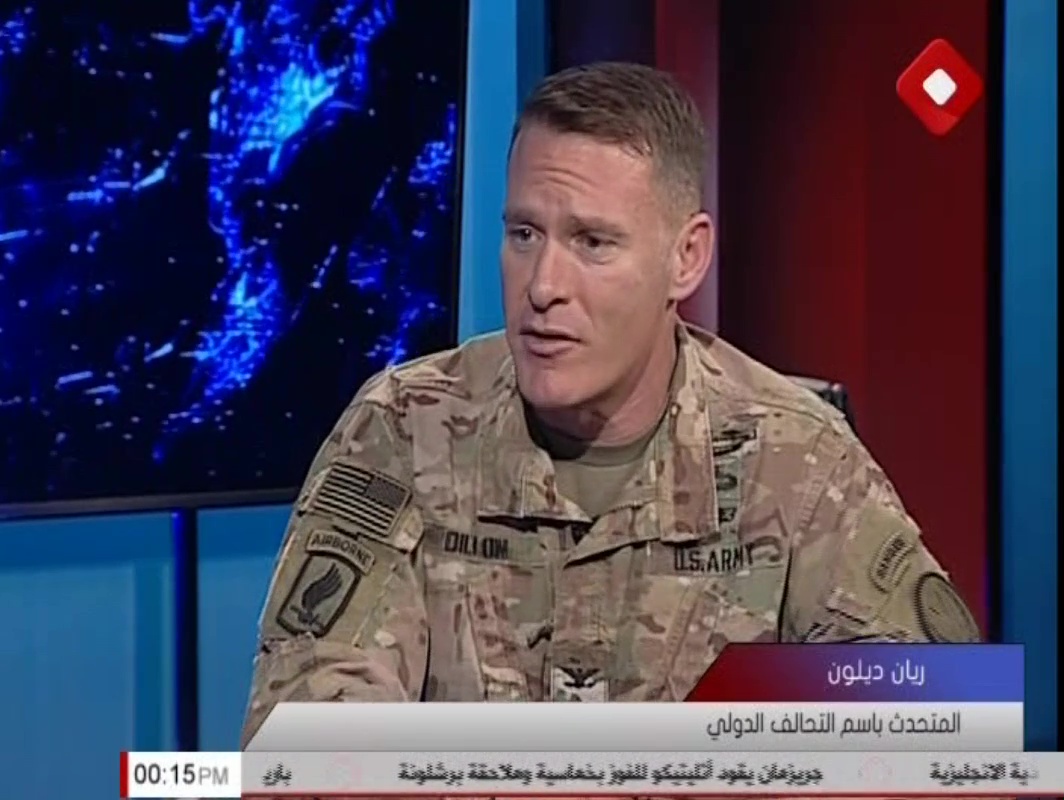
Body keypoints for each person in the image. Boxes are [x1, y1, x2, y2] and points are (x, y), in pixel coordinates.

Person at [241, 61, 980, 746]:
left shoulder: (797, 460)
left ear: (686, 258)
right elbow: (305, 735)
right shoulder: (406, 427)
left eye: (592, 242)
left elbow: (940, 731)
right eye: (524, 234)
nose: (542, 286)